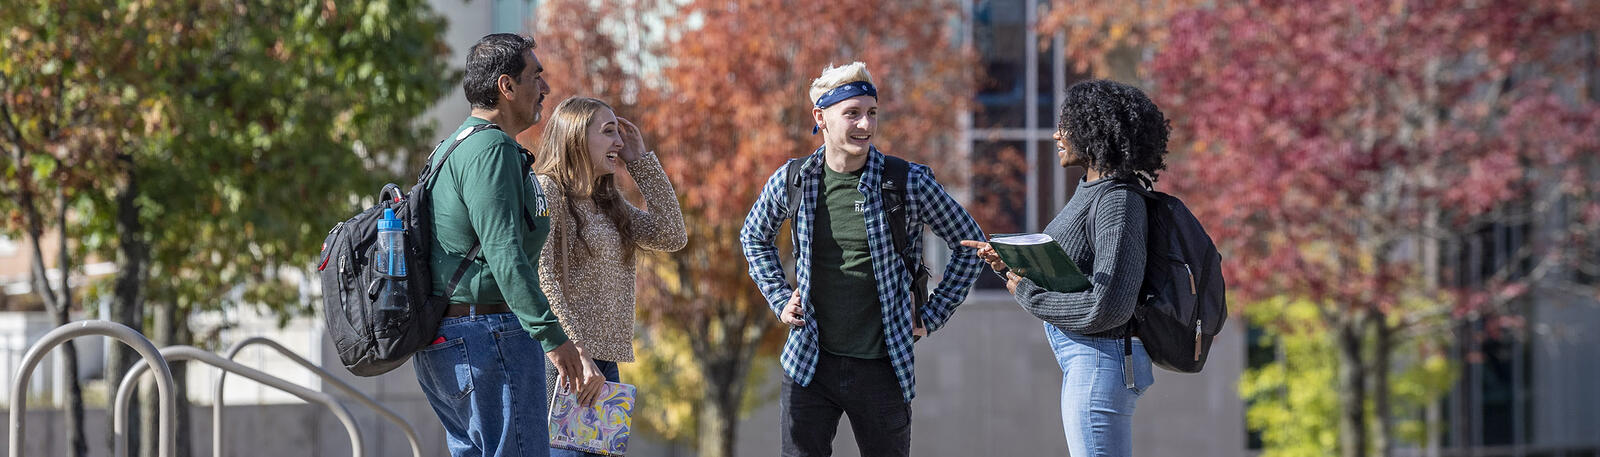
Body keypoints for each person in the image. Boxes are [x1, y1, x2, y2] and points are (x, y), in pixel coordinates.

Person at [739, 61, 986, 457]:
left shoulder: (907, 181)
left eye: (871, 113)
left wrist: (932, 314)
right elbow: (754, 235)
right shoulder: (794, 178)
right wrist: (779, 297)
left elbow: (971, 243)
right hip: (809, 362)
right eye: (851, 114)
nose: (865, 126)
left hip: (882, 366)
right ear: (821, 117)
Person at [961, 79, 1170, 457]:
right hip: (1088, 359)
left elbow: (1108, 306)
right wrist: (1012, 266)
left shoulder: (1118, 201)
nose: (1057, 134)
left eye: (1068, 124)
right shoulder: (1090, 190)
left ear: (1096, 129)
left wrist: (1025, 292)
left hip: (1101, 361)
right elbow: (1072, 274)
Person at [411, 33, 590, 457]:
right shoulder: (492, 150)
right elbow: (505, 254)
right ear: (506, 87)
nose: (545, 89)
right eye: (536, 77)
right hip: (489, 338)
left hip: (450, 341)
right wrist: (552, 336)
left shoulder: (452, 147)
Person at [532, 96, 687, 457]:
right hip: (565, 364)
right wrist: (577, 353)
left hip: (604, 366)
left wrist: (642, 164)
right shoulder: (547, 190)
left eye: (618, 133)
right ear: (575, 137)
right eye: (608, 132)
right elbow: (543, 275)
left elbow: (672, 234)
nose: (618, 141)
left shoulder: (608, 202)